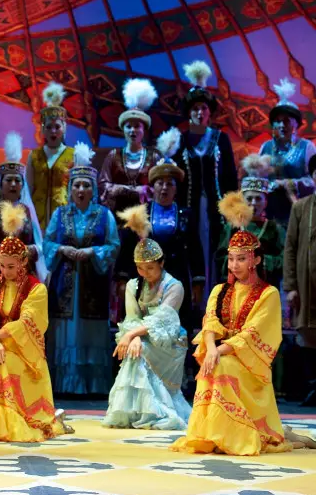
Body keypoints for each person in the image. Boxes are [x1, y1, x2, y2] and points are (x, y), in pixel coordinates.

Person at [171, 191, 293, 455]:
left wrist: (218, 352)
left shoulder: (268, 294)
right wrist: (211, 350)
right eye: (232, 258)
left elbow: (252, 334)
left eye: (242, 259)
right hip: (221, 352)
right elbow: (210, 323)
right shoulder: (220, 290)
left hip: (249, 362)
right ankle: (211, 434)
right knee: (212, 364)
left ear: (256, 260)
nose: (235, 265)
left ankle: (233, 436)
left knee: (221, 364)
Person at [0, 202, 68, 442]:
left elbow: (27, 324)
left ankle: (7, 422)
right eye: (1, 265)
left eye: (11, 266)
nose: (5, 271)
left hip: (25, 353)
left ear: (23, 262)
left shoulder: (37, 289)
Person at [103, 204, 191, 430]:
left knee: (138, 349)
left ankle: (157, 412)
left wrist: (132, 336)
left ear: (162, 263)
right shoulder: (133, 286)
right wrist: (133, 336)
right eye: (140, 268)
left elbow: (163, 320)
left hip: (169, 340)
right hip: (142, 336)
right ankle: (135, 412)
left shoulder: (174, 286)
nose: (145, 273)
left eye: (150, 268)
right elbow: (132, 318)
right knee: (136, 349)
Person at [44, 143, 120, 397]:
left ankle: (93, 386)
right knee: (64, 331)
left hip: (93, 283)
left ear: (93, 189)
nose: (81, 190)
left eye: (86, 185)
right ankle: (64, 386)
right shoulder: (60, 213)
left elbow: (113, 246)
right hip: (64, 285)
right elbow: (47, 243)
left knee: (92, 331)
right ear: (70, 189)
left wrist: (92, 252)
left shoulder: (104, 215)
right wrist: (62, 249)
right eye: (76, 185)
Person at [115, 128, 204, 331]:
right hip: (146, 279)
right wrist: (121, 279)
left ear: (176, 188)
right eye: (160, 183)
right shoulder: (141, 214)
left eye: (169, 184)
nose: (164, 188)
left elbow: (195, 250)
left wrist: (198, 282)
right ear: (153, 187)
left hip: (177, 279)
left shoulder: (186, 215)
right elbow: (127, 248)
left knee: (174, 328)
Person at [175, 61, 238, 289]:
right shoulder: (179, 140)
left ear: (209, 112)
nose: (199, 113)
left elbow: (230, 176)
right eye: (195, 109)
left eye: (203, 108)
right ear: (188, 113)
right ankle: (194, 301)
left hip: (217, 209)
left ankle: (216, 298)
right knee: (190, 249)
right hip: (188, 208)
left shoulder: (221, 139)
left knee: (217, 248)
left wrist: (233, 210)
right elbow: (174, 179)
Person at [0, 132, 45, 281]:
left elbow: (36, 245)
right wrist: (5, 251)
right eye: (9, 180)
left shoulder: (26, 211)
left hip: (24, 276)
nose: (13, 184)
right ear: (1, 184)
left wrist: (31, 250)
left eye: (17, 181)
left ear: (22, 185)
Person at [216, 154, 285, 289]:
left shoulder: (275, 228)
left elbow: (284, 259)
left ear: (266, 201)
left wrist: (261, 261)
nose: (253, 203)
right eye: (249, 199)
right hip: (236, 287)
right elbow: (220, 257)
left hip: (266, 287)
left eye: (258, 199)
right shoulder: (233, 227)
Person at [99, 79, 162, 213]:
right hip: (117, 215)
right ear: (123, 130)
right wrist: (132, 190)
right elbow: (103, 186)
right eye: (129, 126)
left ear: (144, 130)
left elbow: (161, 187)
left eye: (137, 126)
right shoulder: (113, 156)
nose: (133, 130)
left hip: (146, 217)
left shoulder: (153, 157)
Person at [259, 78, 315, 225]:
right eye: (278, 121)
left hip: (298, 211)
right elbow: (257, 179)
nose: (282, 125)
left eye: (287, 120)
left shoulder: (307, 147)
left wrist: (287, 183)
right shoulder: (265, 147)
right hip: (271, 213)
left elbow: (313, 180)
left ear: (296, 123)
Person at [285, 156, 316, 406]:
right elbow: (290, 249)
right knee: (308, 331)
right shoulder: (301, 208)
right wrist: (291, 287)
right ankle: (313, 386)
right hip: (307, 285)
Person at [27, 82, 75, 230]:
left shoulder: (74, 155)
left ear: (64, 129)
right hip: (37, 217)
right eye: (49, 127)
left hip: (64, 217)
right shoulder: (34, 155)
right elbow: (28, 189)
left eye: (57, 127)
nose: (53, 131)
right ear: (43, 130)